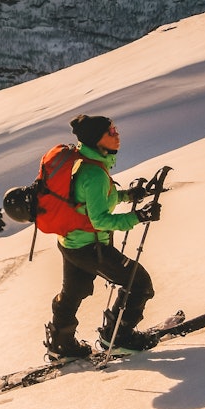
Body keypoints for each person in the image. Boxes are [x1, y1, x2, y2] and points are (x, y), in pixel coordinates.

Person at [43, 114, 162, 359]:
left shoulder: (85, 163)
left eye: (115, 129)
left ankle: (61, 343)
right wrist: (138, 218)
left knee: (74, 291)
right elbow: (100, 220)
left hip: (72, 242)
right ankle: (117, 337)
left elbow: (90, 202)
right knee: (138, 283)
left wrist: (129, 195)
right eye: (111, 132)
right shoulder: (94, 173)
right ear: (98, 140)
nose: (117, 134)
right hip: (90, 246)